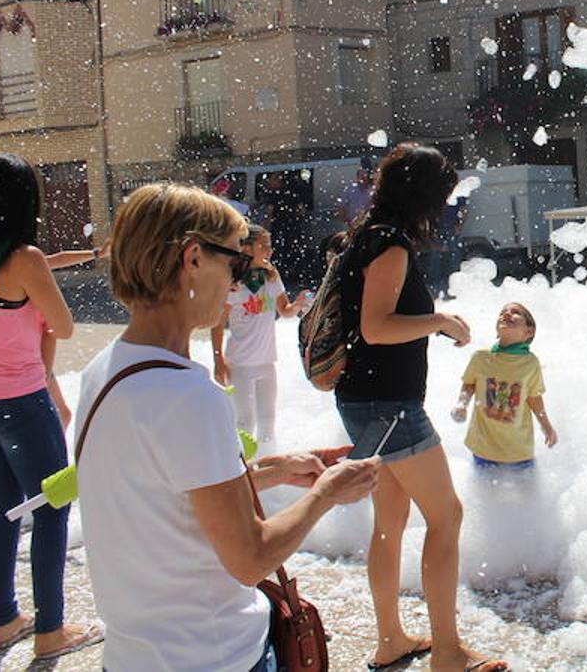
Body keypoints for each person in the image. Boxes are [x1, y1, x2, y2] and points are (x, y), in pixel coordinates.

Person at [76, 182, 378, 672]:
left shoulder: (106, 369)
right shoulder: (189, 396)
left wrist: (269, 471)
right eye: (235, 264)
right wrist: (326, 493)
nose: (237, 282)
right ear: (193, 259)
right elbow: (251, 559)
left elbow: (154, 492)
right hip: (214, 655)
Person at [334, 143, 507, 671]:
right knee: (446, 516)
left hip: (363, 400)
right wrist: (439, 322)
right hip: (390, 406)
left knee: (389, 520)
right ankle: (448, 652)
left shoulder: (361, 237)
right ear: (425, 196)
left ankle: (391, 640)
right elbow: (375, 327)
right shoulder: (391, 246)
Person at [0, 154, 101, 659]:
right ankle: (50, 631)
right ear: (25, 202)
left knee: (2, 508)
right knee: (51, 508)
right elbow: (63, 327)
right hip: (18, 402)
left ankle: (3, 622)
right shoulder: (23, 259)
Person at [211, 225, 312, 447]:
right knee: (245, 423)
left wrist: (297, 305)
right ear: (246, 248)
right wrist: (218, 360)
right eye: (263, 246)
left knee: (268, 422)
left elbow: (284, 311)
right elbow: (217, 324)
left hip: (267, 361)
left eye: (270, 245)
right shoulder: (234, 284)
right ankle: (243, 471)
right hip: (240, 364)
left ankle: (269, 464)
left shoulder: (271, 276)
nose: (269, 250)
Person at [450, 302, 557, 472]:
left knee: (526, 494)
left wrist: (546, 426)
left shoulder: (530, 363)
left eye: (515, 313)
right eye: (503, 312)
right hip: (483, 446)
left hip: (519, 449)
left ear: (529, 332)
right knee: (484, 494)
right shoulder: (481, 357)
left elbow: (534, 397)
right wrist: (462, 403)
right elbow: (469, 383)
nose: (506, 314)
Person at [341, 160, 376, 228]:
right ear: (357, 176)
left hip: (368, 225)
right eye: (361, 175)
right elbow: (342, 207)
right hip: (352, 225)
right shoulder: (350, 189)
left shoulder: (373, 190)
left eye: (365, 176)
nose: (363, 178)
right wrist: (348, 222)